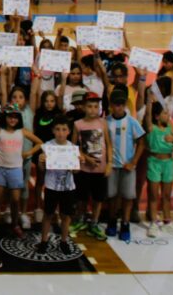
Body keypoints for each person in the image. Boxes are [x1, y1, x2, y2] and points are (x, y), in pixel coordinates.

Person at [0, 107, 42, 237]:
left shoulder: (22, 132)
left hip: (16, 169)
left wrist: (28, 153)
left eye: (15, 117)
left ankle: (15, 224)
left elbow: (39, 143)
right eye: (10, 116)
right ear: (5, 117)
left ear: (18, 119)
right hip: (0, 168)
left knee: (15, 199)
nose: (12, 119)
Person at [105, 86, 145, 242]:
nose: (118, 107)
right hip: (112, 166)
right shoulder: (106, 122)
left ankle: (126, 224)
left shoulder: (131, 122)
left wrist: (134, 161)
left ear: (125, 105)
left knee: (128, 197)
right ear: (111, 105)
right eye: (115, 104)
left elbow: (141, 142)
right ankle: (112, 220)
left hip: (127, 166)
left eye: (121, 104)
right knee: (112, 196)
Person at [37, 117, 80, 255]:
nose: (61, 133)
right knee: (48, 214)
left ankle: (64, 241)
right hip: (51, 186)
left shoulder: (73, 148)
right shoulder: (47, 146)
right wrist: (41, 161)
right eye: (57, 129)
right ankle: (44, 241)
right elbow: (42, 169)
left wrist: (75, 165)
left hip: (68, 188)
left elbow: (76, 171)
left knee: (66, 216)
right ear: (53, 131)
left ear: (69, 131)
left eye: (64, 129)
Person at [73, 92, 111, 240]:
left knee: (98, 198)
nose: (93, 110)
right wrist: (85, 158)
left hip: (100, 169)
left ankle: (94, 223)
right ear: (83, 107)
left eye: (96, 106)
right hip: (84, 168)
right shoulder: (78, 124)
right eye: (89, 106)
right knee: (82, 197)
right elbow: (75, 146)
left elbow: (108, 144)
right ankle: (80, 219)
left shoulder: (103, 123)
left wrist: (109, 164)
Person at [143, 101, 173, 237]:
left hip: (168, 163)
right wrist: (149, 99)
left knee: (166, 195)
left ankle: (167, 221)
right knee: (153, 195)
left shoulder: (170, 127)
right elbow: (148, 115)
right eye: (165, 113)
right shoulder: (151, 128)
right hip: (154, 163)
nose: (168, 115)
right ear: (157, 116)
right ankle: (154, 222)